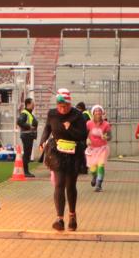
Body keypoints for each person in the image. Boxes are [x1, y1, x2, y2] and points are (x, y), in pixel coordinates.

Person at [39, 89, 88, 231]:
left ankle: (72, 215)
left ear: (70, 104)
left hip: (73, 153)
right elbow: (47, 128)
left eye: (65, 106)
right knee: (59, 183)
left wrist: (70, 128)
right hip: (57, 152)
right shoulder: (52, 114)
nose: (63, 109)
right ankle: (59, 219)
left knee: (70, 185)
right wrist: (42, 141)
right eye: (60, 106)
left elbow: (83, 135)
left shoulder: (77, 115)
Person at [85, 104, 112, 192]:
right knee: (92, 168)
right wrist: (87, 139)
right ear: (93, 113)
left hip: (102, 148)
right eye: (96, 111)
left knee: (101, 165)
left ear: (102, 113)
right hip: (92, 149)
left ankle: (99, 184)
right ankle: (94, 176)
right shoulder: (89, 123)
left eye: (99, 111)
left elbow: (110, 136)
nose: (98, 113)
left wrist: (106, 137)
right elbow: (84, 134)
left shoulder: (106, 124)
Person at [16, 97, 38, 178]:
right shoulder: (25, 113)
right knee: (27, 154)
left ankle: (25, 171)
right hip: (26, 135)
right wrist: (29, 126)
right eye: (33, 104)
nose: (34, 105)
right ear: (28, 104)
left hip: (29, 136)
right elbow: (19, 122)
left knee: (27, 153)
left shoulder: (29, 113)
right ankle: (25, 171)